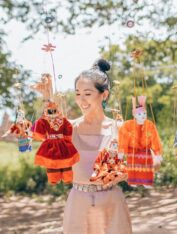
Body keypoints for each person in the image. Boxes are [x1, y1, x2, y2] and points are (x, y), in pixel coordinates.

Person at [63, 59, 132, 234]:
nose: (81, 100)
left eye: (87, 93)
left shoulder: (120, 128)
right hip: (78, 202)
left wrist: (124, 173)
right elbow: (47, 132)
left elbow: (142, 163)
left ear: (104, 95)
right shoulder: (69, 128)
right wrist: (47, 94)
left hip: (112, 202)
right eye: (77, 93)